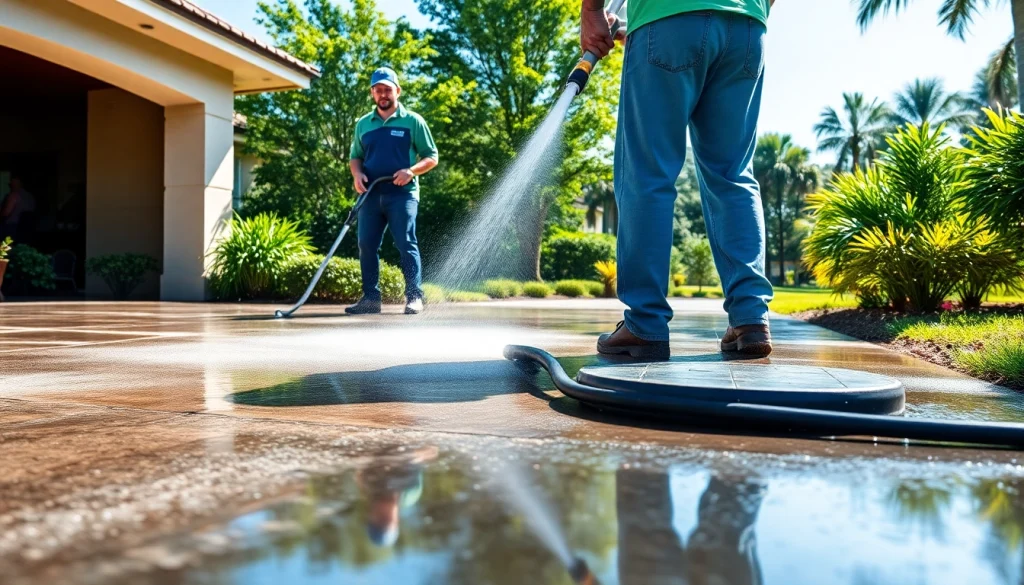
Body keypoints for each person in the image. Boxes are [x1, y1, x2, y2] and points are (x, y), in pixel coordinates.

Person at [581, 0, 776, 359]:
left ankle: (645, 323)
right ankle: (751, 317)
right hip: (747, 28)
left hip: (667, 16)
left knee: (647, 175)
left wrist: (593, 10)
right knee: (733, 175)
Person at [347, 67, 438, 315]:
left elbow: (431, 156)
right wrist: (357, 174)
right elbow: (355, 157)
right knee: (366, 244)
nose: (383, 94)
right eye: (378, 90)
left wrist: (411, 170)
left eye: (388, 89)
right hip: (370, 194)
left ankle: (414, 297)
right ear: (372, 93)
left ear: (397, 91)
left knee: (405, 243)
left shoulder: (413, 121)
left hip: (403, 194)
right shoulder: (363, 125)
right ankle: (370, 299)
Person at [0, 175, 36, 243]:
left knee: (5, 249)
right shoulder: (30, 196)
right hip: (27, 229)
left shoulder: (14, 195)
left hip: (12, 227)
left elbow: (6, 213)